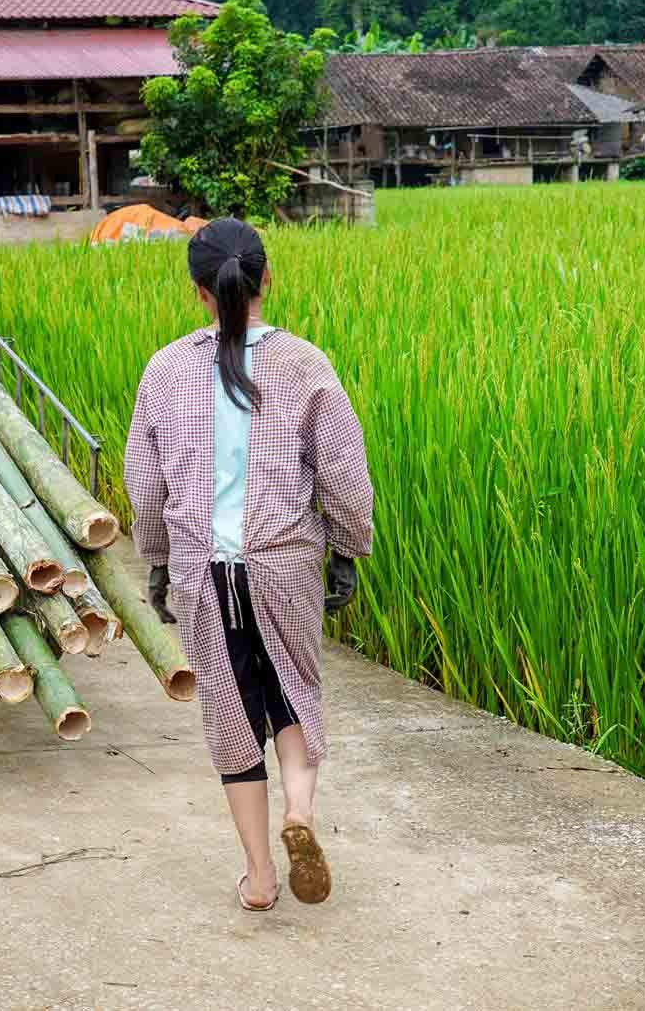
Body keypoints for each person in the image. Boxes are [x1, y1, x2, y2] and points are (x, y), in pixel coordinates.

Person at [123, 217, 373, 912]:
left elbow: (145, 483)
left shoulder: (166, 370)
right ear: (268, 280)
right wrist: (348, 547)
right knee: (292, 691)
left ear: (199, 292)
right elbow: (344, 472)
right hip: (284, 564)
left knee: (233, 714)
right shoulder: (305, 364)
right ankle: (300, 811)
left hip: (204, 571)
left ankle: (260, 878)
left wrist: (157, 561)